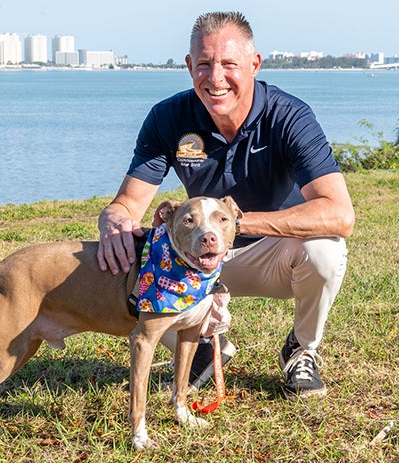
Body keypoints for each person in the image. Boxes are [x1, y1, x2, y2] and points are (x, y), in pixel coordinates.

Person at [96, 11, 355, 400]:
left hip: (270, 252)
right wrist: (112, 221)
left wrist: (235, 223)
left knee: (325, 250)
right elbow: (128, 204)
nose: (215, 78)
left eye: (229, 64)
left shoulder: (289, 116)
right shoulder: (168, 117)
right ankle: (201, 343)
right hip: (194, 255)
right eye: (204, 64)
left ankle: (301, 351)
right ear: (189, 67)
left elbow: (339, 213)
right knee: (133, 253)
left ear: (254, 64)